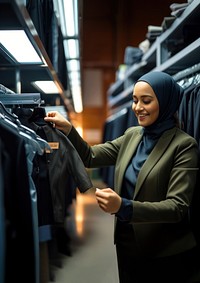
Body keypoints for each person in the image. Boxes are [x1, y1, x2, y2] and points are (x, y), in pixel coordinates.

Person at [44, 71, 200, 283]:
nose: (137, 108)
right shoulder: (133, 135)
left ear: (165, 102)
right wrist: (70, 130)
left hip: (165, 252)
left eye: (146, 101)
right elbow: (91, 156)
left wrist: (124, 206)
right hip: (127, 243)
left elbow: (177, 207)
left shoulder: (184, 145)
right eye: (135, 100)